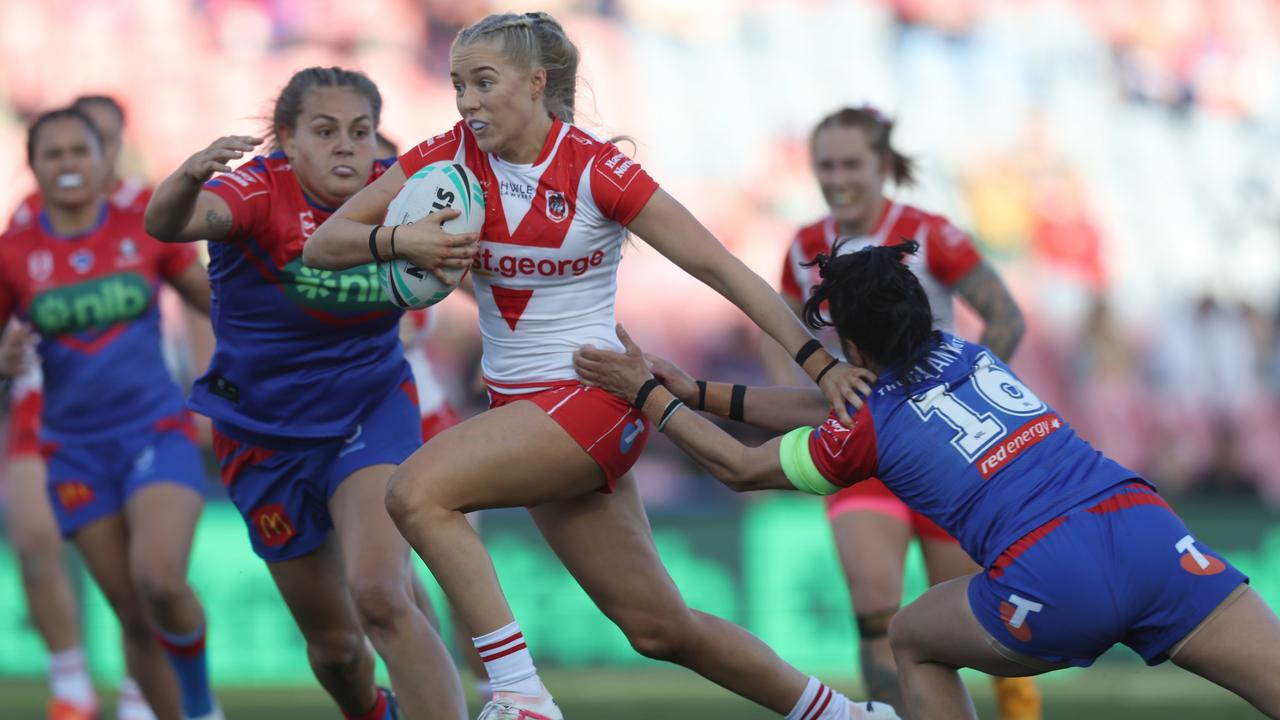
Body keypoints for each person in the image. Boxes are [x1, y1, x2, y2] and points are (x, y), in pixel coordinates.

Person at [304, 12, 891, 720]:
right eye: (459, 84)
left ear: (535, 83)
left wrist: (820, 362)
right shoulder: (445, 158)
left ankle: (520, 696)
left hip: (594, 397)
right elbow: (326, 243)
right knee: (661, 629)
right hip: (525, 416)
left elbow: (720, 267)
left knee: (416, 494)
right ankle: (850, 716)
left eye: (484, 83)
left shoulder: (595, 170)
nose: (467, 101)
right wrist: (406, 239)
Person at [575, 241, 1280, 720]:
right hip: (1144, 527)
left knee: (911, 636)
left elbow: (738, 466)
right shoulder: (962, 351)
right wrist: (697, 390)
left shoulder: (867, 426)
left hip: (1052, 573)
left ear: (848, 346)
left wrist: (649, 395)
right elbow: (846, 403)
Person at [144, 66, 467, 720]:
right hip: (262, 437)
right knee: (337, 647)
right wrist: (187, 177)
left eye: (360, 131)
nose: (346, 146)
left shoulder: (400, 194)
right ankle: (372, 711)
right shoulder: (255, 192)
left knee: (382, 594)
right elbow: (167, 225)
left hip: (369, 411)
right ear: (287, 139)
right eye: (325, 131)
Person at [759, 105, 1037, 718]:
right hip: (869, 449)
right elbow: (775, 330)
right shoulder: (806, 244)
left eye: (851, 162)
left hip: (946, 453)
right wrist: (812, 397)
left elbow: (1006, 317)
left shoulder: (930, 232)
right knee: (876, 616)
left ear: (882, 165)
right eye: (825, 164)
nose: (837, 177)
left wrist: (968, 391)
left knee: (982, 623)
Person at [0, 108, 219, 720]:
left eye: (80, 151)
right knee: (132, 617)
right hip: (71, 451)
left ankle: (202, 707)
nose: (68, 164)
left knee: (160, 581)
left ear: (104, 161)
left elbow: (215, 302)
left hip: (155, 430)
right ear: (33, 166)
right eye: (54, 153)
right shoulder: (12, 251)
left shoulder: (144, 225)